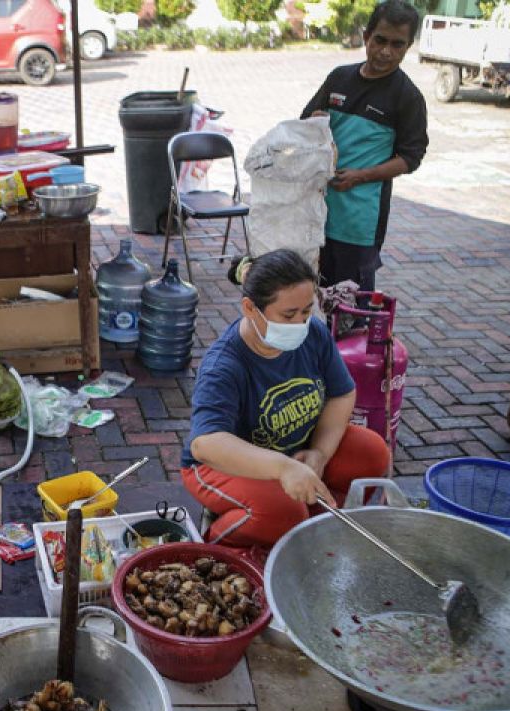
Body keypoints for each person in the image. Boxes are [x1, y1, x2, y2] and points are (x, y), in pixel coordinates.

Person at [181, 250, 390, 548]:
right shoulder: (224, 365)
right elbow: (206, 444)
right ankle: (218, 545)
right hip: (223, 465)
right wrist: (283, 468)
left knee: (372, 452)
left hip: (295, 449)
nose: (300, 323)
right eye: (288, 315)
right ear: (250, 309)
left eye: (306, 311)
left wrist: (319, 453)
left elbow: (342, 393)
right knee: (283, 514)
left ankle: (312, 525)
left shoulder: (313, 333)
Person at [301, 0, 428, 292]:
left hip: (358, 223)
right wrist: (314, 121)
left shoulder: (407, 97)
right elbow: (305, 122)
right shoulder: (339, 78)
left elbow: (411, 158)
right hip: (314, 212)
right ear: (366, 35)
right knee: (305, 299)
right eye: (380, 40)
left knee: (349, 311)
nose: (386, 51)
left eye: (398, 45)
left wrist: (361, 175)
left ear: (408, 47)